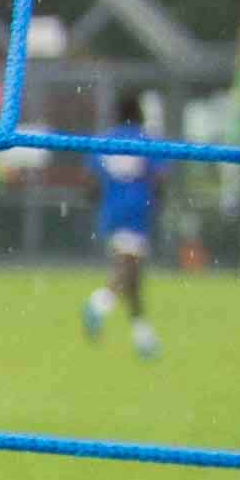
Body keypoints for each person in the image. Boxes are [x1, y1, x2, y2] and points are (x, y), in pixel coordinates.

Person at [79, 113, 165, 354]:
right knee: (129, 270)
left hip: (113, 211)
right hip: (137, 211)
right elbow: (159, 176)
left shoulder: (107, 140)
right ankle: (98, 303)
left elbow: (91, 179)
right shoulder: (146, 141)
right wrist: (158, 201)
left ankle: (143, 336)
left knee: (133, 278)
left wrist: (99, 198)